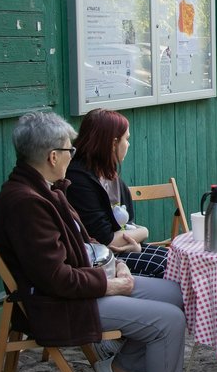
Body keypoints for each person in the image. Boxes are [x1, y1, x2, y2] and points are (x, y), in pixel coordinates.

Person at [0, 112, 207, 372]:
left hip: (89, 283)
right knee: (168, 320)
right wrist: (111, 284)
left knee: (180, 294)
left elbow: (85, 241)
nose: (72, 155)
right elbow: (57, 279)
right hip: (60, 305)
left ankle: (118, 369)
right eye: (67, 150)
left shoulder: (46, 190)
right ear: (52, 156)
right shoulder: (26, 204)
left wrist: (114, 263)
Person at [66, 108, 168, 278]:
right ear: (113, 144)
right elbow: (107, 239)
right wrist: (144, 232)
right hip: (96, 261)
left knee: (177, 260)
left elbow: (126, 227)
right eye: (126, 139)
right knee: (168, 267)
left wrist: (136, 239)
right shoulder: (79, 179)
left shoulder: (108, 174)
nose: (128, 144)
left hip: (122, 249)